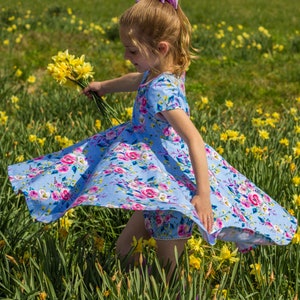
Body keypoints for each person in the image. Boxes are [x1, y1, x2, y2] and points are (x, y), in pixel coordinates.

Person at [8, 0, 297, 280]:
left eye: (132, 50)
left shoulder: (163, 91)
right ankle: (147, 286)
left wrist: (203, 196)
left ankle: (171, 290)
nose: (126, 56)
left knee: (169, 272)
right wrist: (103, 87)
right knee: (124, 251)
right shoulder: (159, 70)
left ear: (161, 48)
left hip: (173, 196)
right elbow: (135, 78)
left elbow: (194, 140)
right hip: (153, 185)